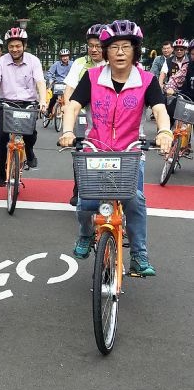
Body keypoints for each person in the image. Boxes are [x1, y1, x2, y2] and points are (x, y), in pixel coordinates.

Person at [59, 20, 172, 277]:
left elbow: (159, 110)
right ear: (106, 51)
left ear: (135, 51)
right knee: (86, 203)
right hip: (95, 151)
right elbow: (74, 106)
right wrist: (67, 131)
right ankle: (86, 235)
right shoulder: (92, 77)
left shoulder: (147, 80)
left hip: (130, 152)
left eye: (126, 47)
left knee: (135, 200)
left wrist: (164, 131)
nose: (120, 52)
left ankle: (139, 254)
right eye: (114, 47)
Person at [0, 27, 47, 185]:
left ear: (24, 46)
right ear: (8, 47)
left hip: (28, 103)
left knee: (29, 135)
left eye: (18, 46)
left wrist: (43, 101)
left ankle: (29, 151)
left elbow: (40, 82)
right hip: (6, 103)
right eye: (11, 46)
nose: (15, 49)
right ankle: (0, 174)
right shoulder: (1, 61)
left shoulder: (34, 61)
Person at [63, 24, 107, 205]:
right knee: (81, 151)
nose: (94, 49)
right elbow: (69, 89)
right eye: (91, 45)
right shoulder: (80, 63)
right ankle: (78, 189)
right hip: (82, 113)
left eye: (98, 45)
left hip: (106, 116)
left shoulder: (114, 63)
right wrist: (67, 110)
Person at [45, 48, 72, 117]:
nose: (65, 58)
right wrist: (50, 80)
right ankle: (49, 110)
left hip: (68, 85)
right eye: (63, 56)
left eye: (66, 56)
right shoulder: (56, 64)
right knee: (54, 97)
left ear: (69, 56)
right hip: (58, 84)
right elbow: (49, 73)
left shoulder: (72, 64)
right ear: (60, 57)